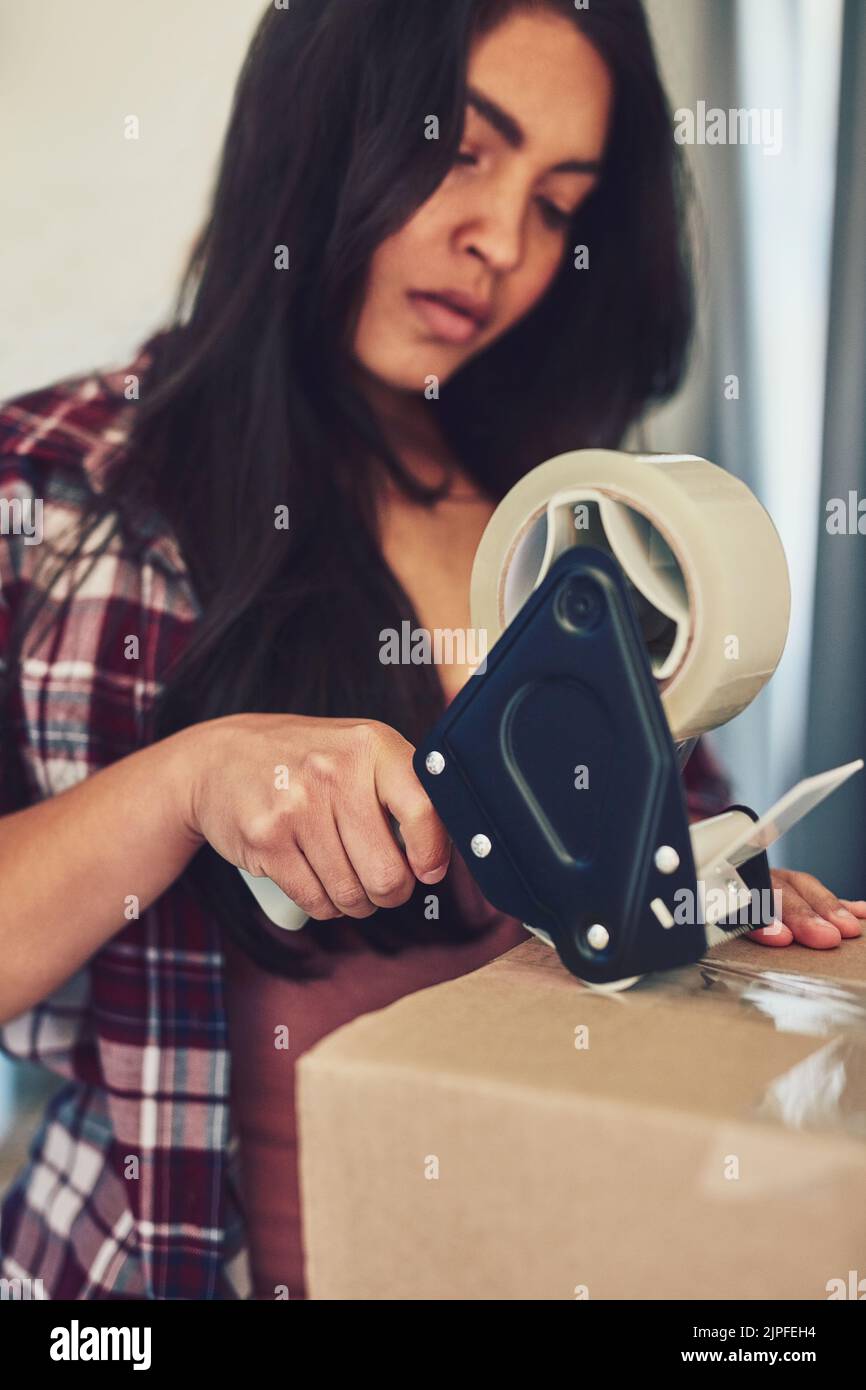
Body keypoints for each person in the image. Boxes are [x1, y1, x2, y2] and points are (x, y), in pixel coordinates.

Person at [1, 0, 862, 1301]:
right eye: (462, 149)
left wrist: (724, 898)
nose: (502, 242)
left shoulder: (575, 535)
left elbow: (653, 875)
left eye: (559, 202)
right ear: (315, 122)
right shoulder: (52, 490)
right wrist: (185, 783)